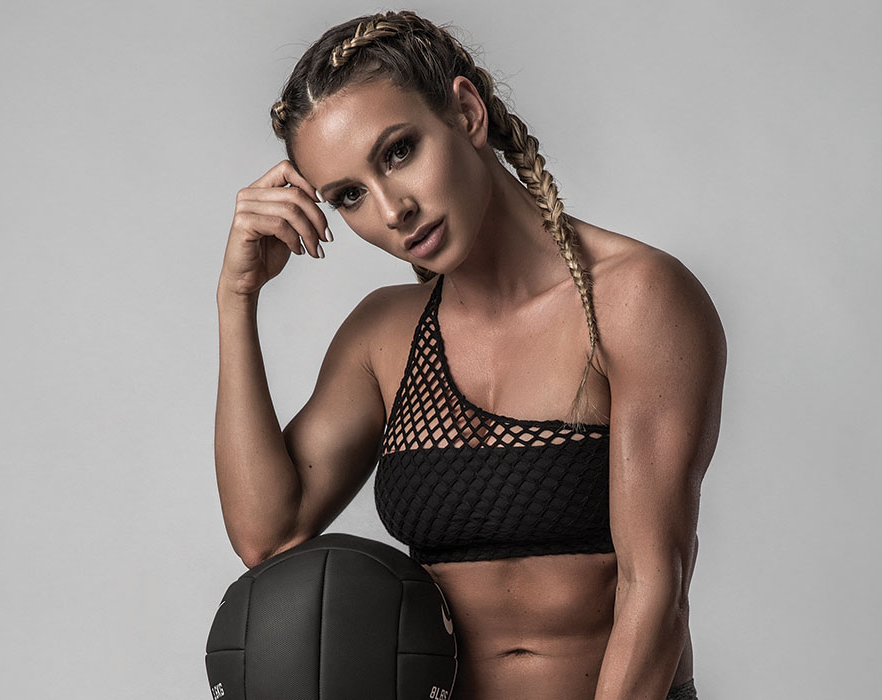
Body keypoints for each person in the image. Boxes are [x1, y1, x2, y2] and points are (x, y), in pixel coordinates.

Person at [214, 10, 726, 700]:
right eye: (350, 196)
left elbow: (654, 589)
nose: (392, 209)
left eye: (398, 151)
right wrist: (237, 298)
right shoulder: (383, 338)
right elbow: (268, 538)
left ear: (466, 112)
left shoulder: (634, 300)